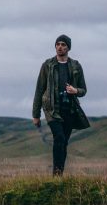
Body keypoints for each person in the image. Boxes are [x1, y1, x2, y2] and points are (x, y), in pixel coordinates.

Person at [32, 34, 90, 175]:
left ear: (68, 48)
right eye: (58, 44)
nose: (60, 47)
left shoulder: (76, 65)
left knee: (63, 143)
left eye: (63, 44)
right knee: (59, 138)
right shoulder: (47, 65)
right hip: (52, 109)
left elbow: (84, 90)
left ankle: (59, 173)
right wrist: (36, 114)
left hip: (69, 109)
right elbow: (39, 89)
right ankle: (56, 174)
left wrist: (75, 90)